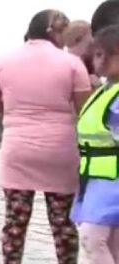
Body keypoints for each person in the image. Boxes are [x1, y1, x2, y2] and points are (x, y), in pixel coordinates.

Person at [0, 10, 89, 263]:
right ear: (53, 29)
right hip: (59, 150)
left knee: (15, 224)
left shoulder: (4, 60)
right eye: (63, 32)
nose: (66, 39)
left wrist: (14, 112)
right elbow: (84, 108)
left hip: (18, 150)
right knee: (63, 223)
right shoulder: (72, 63)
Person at [71, 24, 119, 264]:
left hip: (112, 183)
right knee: (111, 243)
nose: (95, 60)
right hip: (96, 179)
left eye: (101, 54)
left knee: (92, 238)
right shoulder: (104, 91)